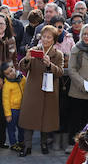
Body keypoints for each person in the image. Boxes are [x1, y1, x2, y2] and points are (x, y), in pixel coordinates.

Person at [18, 25, 64, 156]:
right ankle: (27, 146)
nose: (45, 39)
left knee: (46, 118)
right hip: (33, 89)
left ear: (54, 40)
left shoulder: (58, 54)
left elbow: (60, 72)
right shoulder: (33, 50)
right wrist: (27, 58)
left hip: (49, 90)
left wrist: (50, 64)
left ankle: (44, 144)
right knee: (29, 118)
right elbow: (23, 67)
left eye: (49, 37)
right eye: (44, 36)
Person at [1, 62, 26, 152]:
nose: (10, 74)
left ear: (14, 68)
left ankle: (21, 141)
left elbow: (27, 87)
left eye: (11, 71)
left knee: (22, 127)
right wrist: (8, 114)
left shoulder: (22, 78)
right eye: (7, 74)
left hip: (22, 108)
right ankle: (13, 144)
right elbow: (5, 100)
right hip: (13, 109)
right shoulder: (7, 85)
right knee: (11, 128)